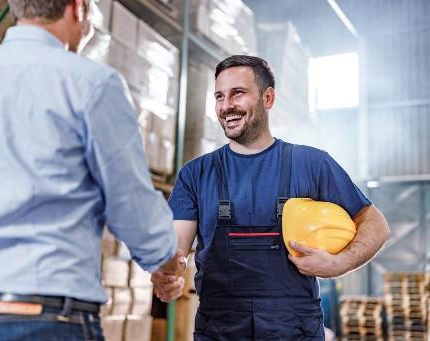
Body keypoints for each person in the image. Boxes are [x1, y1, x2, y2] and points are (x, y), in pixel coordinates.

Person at [0, 0, 183, 340]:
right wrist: (168, 265)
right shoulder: (93, 85)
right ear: (78, 8)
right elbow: (131, 207)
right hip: (51, 320)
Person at [151, 55, 390, 340]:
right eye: (219, 96)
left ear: (268, 98)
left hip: (294, 329)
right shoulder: (195, 174)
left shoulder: (311, 164)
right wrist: (168, 273)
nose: (226, 106)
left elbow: (376, 224)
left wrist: (340, 264)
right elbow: (177, 250)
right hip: (220, 329)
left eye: (237, 93)